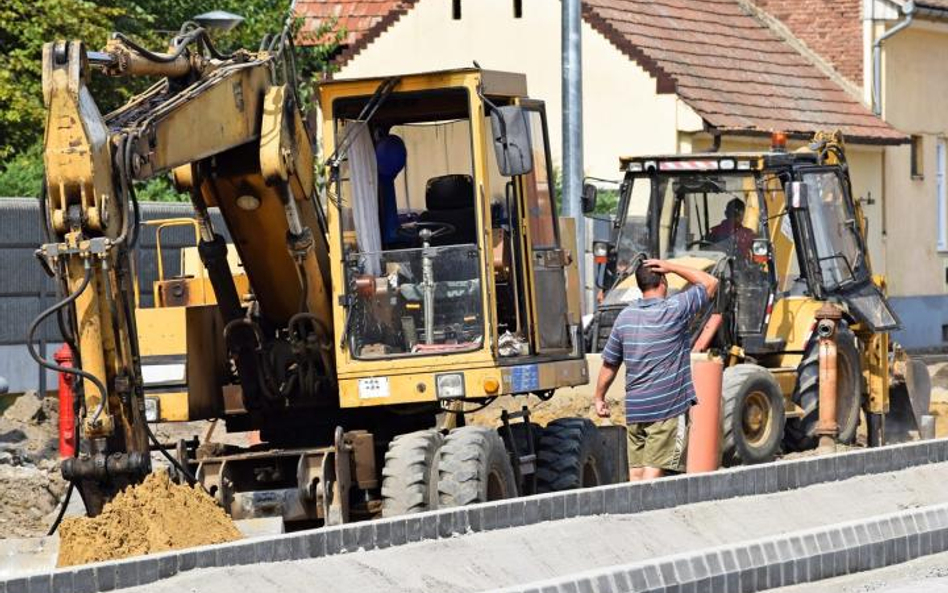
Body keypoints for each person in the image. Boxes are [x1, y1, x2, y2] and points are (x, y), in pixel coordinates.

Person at [594, 259, 718, 480]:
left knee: (637, 475)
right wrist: (672, 267)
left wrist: (599, 397)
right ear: (663, 280)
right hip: (666, 410)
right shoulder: (674, 310)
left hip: (636, 411)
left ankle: (633, 514)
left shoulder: (625, 318)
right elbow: (710, 283)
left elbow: (610, 363)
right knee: (654, 476)